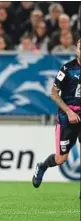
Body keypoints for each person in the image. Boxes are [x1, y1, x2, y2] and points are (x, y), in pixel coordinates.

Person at [32, 38, 81, 199]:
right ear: (77, 49)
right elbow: (53, 93)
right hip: (67, 117)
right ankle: (43, 166)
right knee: (61, 159)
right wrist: (69, 112)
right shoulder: (67, 69)